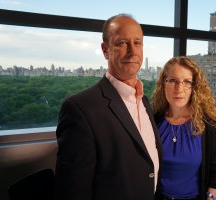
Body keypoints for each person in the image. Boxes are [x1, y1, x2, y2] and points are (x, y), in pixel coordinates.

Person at [54, 14, 162, 200]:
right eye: (122, 43)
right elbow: (73, 192)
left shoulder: (143, 100)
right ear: (105, 50)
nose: (132, 51)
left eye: (137, 42)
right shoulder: (80, 109)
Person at [152, 56, 216, 200]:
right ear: (163, 84)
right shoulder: (153, 121)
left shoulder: (211, 126)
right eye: (173, 81)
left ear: (195, 87)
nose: (179, 89)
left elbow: (215, 172)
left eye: (187, 82)